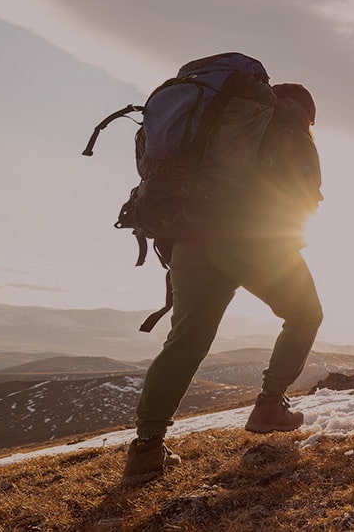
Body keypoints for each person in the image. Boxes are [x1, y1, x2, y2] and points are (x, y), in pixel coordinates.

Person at [122, 82, 325, 485]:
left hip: (188, 240)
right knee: (305, 314)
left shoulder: (211, 128)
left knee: (186, 340)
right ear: (305, 113)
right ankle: (269, 406)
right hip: (251, 240)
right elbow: (304, 197)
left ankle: (146, 448)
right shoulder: (288, 128)